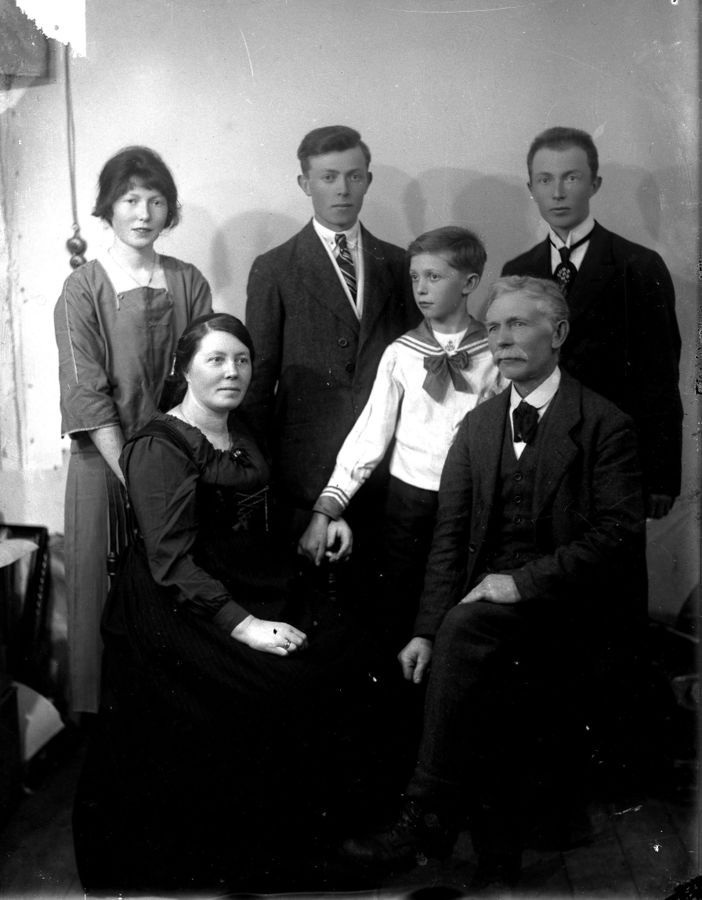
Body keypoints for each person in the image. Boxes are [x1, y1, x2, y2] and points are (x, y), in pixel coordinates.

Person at [341, 276, 647, 890]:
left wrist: (521, 583)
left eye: (517, 325)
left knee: (468, 632)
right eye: (494, 327)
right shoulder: (477, 426)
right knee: (454, 644)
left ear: (558, 334)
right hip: (480, 611)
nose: (500, 340)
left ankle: (425, 813)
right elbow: (449, 539)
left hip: (565, 605)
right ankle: (493, 847)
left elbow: (617, 536)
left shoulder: (604, 423)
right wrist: (425, 630)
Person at [73, 314, 358, 894]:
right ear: (185, 369)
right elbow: (171, 561)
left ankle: (314, 835)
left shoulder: (241, 428)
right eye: (216, 360)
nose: (233, 372)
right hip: (175, 602)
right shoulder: (159, 446)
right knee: (281, 683)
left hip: (246, 578)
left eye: (242, 360)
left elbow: (256, 512)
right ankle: (266, 852)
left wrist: (320, 519)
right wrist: (245, 625)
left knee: (341, 651)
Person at [54, 146, 212, 714]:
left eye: (156, 200)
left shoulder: (189, 281)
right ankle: (107, 724)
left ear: (170, 209)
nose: (143, 213)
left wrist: (166, 468)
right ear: (108, 208)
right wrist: (133, 473)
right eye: (129, 199)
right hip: (104, 466)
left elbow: (203, 377)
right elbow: (86, 390)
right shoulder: (82, 289)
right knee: (106, 592)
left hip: (176, 461)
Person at [299, 226, 504, 652]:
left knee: (460, 602)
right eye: (414, 277)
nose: (421, 288)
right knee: (398, 602)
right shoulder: (401, 354)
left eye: (434, 276)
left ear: (469, 283)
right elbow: (369, 434)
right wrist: (328, 506)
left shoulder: (493, 354)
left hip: (471, 500)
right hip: (407, 504)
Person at [243, 124, 418, 543]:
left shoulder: (399, 263)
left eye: (354, 176)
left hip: (387, 464)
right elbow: (259, 379)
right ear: (305, 184)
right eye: (328, 177)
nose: (342, 189)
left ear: (368, 181)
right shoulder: (275, 268)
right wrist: (259, 467)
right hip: (306, 468)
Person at [501, 126, 682, 519]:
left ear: (594, 184)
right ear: (530, 188)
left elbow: (661, 376)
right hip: (538, 453)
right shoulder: (518, 270)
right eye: (545, 180)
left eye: (571, 178)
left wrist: (661, 476)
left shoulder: (638, 265)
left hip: (614, 453)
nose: (558, 192)